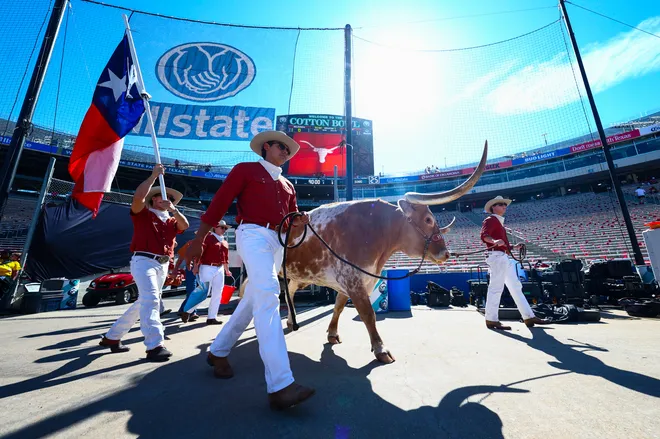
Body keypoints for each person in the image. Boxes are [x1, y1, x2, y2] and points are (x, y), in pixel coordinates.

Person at [186, 130, 314, 410]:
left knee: (254, 299)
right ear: (266, 146)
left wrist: (300, 221)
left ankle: (218, 351)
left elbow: (289, 225)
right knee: (269, 294)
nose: (286, 152)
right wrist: (199, 239)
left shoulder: (289, 186)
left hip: (276, 243)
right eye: (282, 146)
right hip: (253, 233)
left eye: (289, 150)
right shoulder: (245, 169)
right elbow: (219, 203)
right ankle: (281, 385)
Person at [99, 164, 189, 361]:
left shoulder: (172, 220)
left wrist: (174, 210)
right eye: (162, 196)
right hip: (144, 260)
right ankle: (155, 345)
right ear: (154, 199)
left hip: (163, 264)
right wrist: (153, 177)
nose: (167, 199)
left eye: (171, 199)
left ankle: (112, 337)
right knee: (152, 300)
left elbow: (185, 225)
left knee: (144, 302)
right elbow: (138, 198)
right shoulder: (144, 214)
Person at [480, 196, 549, 330]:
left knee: (515, 287)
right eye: (500, 204)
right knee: (496, 287)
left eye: (505, 205)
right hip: (497, 256)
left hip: (502, 256)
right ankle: (491, 319)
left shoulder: (498, 222)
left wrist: (513, 247)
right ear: (493, 207)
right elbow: (484, 236)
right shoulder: (491, 220)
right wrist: (494, 241)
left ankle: (528, 316)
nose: (504, 206)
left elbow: (501, 244)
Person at [180, 220, 231, 324]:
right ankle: (187, 311)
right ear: (215, 227)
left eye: (225, 228)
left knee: (218, 293)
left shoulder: (224, 241)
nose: (224, 230)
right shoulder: (208, 238)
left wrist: (227, 270)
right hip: (207, 266)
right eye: (222, 227)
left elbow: (225, 258)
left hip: (219, 268)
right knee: (204, 291)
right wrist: (196, 266)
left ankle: (212, 317)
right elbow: (200, 253)